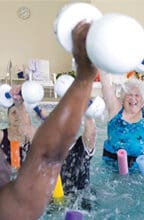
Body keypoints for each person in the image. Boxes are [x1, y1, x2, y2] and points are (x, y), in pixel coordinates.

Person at [0, 20, 97, 219]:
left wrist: (88, 108)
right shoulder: (13, 206)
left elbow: (90, 132)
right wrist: (85, 75)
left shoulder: (81, 146)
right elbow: (40, 144)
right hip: (52, 200)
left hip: (80, 199)